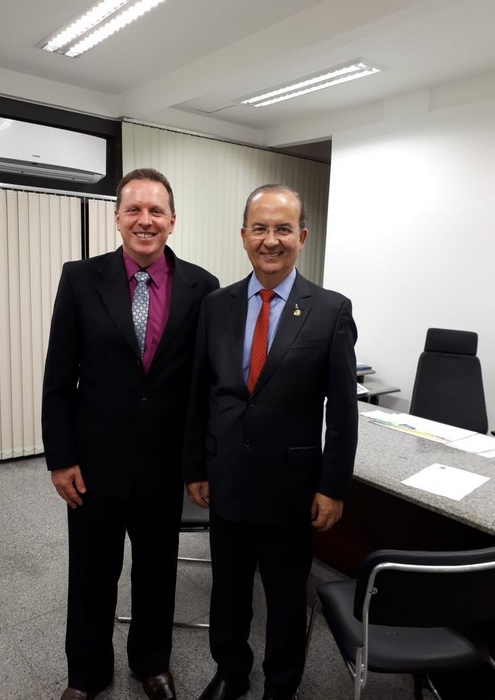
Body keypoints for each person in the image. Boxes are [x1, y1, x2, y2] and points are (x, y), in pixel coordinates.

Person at [42, 168, 219, 700]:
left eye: (156, 210)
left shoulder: (202, 287)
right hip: (93, 465)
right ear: (117, 217)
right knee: (91, 574)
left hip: (163, 467)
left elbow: (202, 387)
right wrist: (60, 458)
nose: (146, 220)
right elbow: (59, 377)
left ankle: (151, 663)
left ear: (172, 220)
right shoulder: (80, 278)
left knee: (157, 573)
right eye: (134, 210)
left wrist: (197, 465)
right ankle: (86, 674)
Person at [183, 184, 358, 700]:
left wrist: (333, 487)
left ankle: (282, 684)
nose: (271, 240)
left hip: (291, 488)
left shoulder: (330, 310)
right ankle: (231, 671)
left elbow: (342, 412)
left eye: (283, 228)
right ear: (243, 236)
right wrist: (196, 467)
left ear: (302, 237)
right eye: (260, 228)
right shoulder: (216, 305)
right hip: (226, 481)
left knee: (284, 598)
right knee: (228, 589)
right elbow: (200, 394)